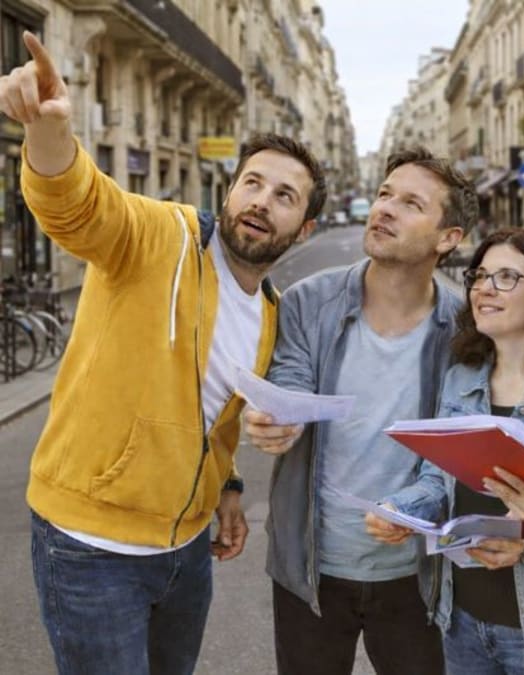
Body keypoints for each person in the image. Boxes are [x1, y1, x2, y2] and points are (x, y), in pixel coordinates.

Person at [0, 32, 325, 675]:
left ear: (304, 228)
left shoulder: (270, 314)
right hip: (91, 547)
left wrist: (228, 486)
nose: (262, 201)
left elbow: (220, 413)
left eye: (284, 196)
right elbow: (80, 209)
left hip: (184, 553)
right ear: (229, 193)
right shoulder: (160, 237)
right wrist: (48, 133)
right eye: (253, 183)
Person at [244, 146, 478, 675]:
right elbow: (291, 381)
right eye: (383, 194)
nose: (385, 209)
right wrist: (279, 418)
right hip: (311, 569)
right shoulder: (307, 301)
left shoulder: (465, 328)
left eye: (410, 203)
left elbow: (459, 440)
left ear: (449, 238)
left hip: (416, 574)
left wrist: (416, 505)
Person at [366, 228, 524, 674]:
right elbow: (435, 478)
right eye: (480, 276)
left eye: (506, 278)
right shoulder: (461, 380)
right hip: (462, 623)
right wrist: (400, 510)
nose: (484, 288)